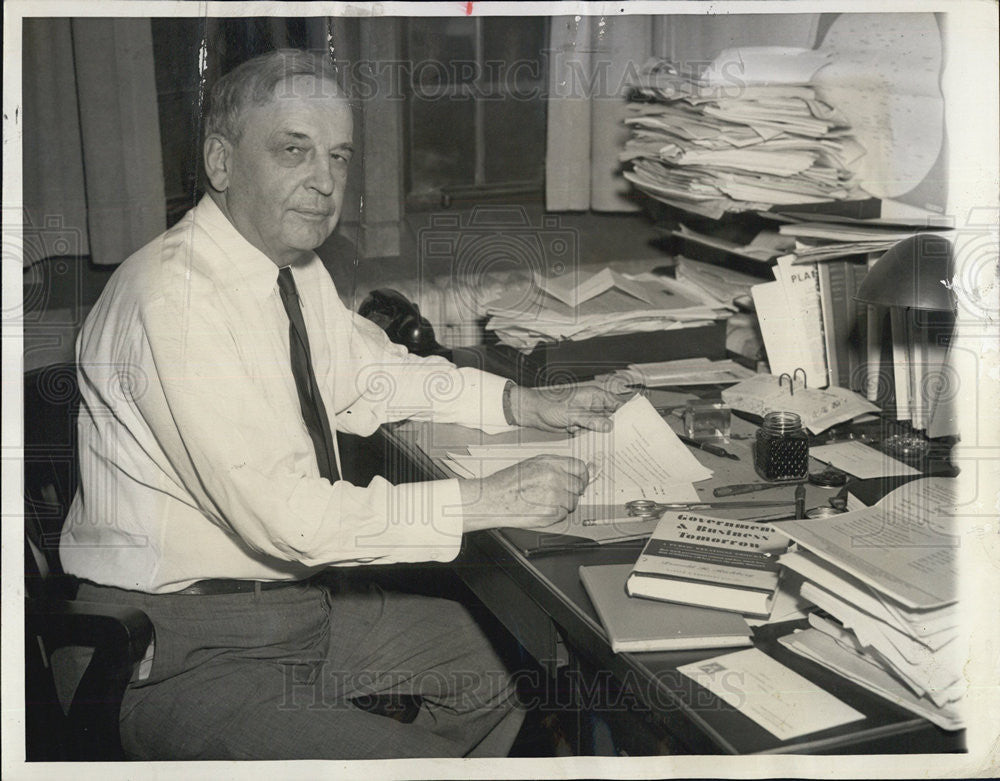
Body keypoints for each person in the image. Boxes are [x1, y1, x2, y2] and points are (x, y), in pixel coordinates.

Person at [59, 49, 623, 760]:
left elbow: (372, 373)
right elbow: (294, 521)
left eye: (339, 156)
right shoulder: (176, 301)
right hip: (171, 649)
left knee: (503, 668)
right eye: (294, 150)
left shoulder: (290, 271)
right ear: (221, 163)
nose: (324, 182)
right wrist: (485, 497)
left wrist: (517, 402)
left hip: (290, 611)